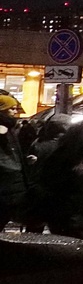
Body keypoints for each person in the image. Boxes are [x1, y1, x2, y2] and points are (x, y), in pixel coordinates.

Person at [0, 94, 28, 231]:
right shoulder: (3, 129)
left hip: (10, 185)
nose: (15, 112)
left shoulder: (10, 128)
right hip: (6, 185)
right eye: (12, 109)